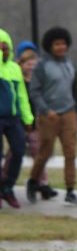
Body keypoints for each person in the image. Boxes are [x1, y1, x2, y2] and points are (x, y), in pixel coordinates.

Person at [26, 26, 77, 207]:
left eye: (63, 44)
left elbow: (75, 91)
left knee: (70, 152)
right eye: (57, 44)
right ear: (50, 46)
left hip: (69, 112)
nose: (60, 47)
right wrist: (45, 109)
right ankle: (33, 181)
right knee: (45, 151)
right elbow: (34, 91)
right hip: (48, 115)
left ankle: (71, 190)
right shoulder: (42, 66)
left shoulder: (70, 64)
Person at [0, 28, 33, 208]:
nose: (3, 50)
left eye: (6, 47)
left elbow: (22, 96)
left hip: (13, 118)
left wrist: (27, 118)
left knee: (19, 150)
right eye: (0, 47)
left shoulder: (14, 68)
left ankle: (7, 187)